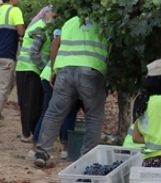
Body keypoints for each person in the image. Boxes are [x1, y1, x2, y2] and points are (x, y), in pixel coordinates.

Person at [32, 14, 109, 168]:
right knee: (93, 116)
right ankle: (86, 159)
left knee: (54, 112)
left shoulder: (70, 22)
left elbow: (56, 43)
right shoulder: (104, 21)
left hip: (66, 71)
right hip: (91, 72)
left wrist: (54, 69)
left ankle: (42, 152)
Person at [15, 5, 54, 143]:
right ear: (47, 14)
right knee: (30, 103)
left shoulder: (36, 25)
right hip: (30, 70)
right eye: (54, 15)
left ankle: (29, 132)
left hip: (24, 68)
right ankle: (27, 134)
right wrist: (44, 68)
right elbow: (33, 52)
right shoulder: (42, 28)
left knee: (27, 102)